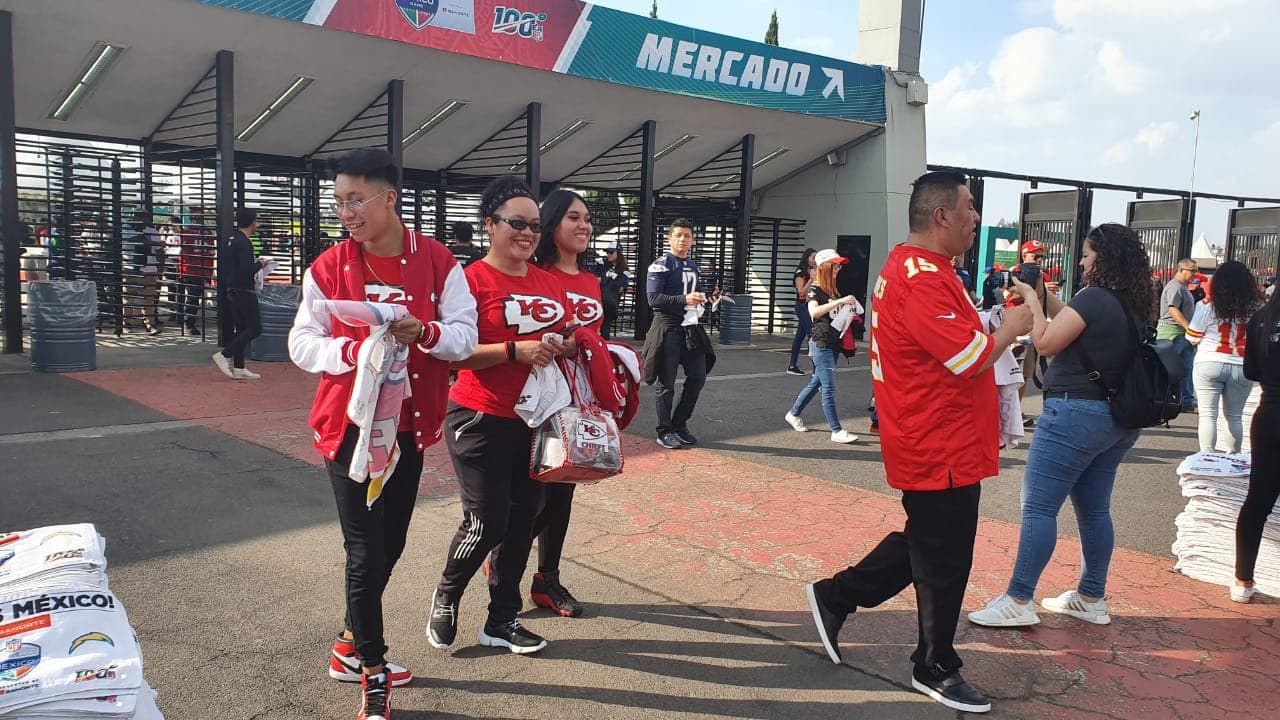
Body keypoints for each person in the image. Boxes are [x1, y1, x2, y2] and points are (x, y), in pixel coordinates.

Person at [804, 171, 1031, 714]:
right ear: (941, 216)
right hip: (938, 441)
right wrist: (1014, 325)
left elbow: (960, 345)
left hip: (939, 437)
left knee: (931, 545)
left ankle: (837, 597)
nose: (977, 217)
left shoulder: (918, 268)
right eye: (970, 207)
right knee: (943, 557)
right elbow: (969, 356)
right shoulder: (922, 276)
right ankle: (933, 664)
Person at [288, 148, 478, 720]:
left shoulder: (438, 261)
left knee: (389, 545)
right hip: (346, 428)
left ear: (389, 198)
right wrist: (353, 349)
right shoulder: (328, 266)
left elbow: (465, 337)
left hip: (409, 429)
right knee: (365, 550)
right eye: (339, 201)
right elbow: (301, 343)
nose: (346, 211)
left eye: (356, 199)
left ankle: (348, 644)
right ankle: (374, 670)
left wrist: (426, 332)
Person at [967, 223, 1154, 632]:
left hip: (1073, 415)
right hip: (1118, 420)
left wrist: (1033, 301)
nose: (1083, 263)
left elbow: (1048, 342)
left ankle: (1018, 598)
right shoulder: (1133, 300)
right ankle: (1091, 596)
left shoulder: (1094, 297)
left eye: (1087, 255)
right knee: (1094, 511)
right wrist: (1047, 298)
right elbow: (1074, 321)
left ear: (1103, 259)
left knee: (1038, 507)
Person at [427, 175, 575, 657]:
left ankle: (501, 619)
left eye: (535, 225)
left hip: (535, 420)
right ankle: (448, 593)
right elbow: (448, 357)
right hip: (478, 416)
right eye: (516, 223)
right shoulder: (467, 282)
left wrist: (565, 345)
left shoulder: (549, 282)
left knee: (522, 518)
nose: (528, 233)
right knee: (486, 521)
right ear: (489, 225)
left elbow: (564, 337)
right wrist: (514, 351)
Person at [526, 189, 605, 619]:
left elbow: (595, 342)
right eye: (574, 217)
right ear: (552, 224)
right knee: (534, 492)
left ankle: (547, 580)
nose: (584, 226)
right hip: (538, 397)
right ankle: (502, 554)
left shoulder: (591, 280)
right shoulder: (534, 276)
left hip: (581, 400)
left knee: (564, 490)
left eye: (588, 218)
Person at [642, 219, 719, 450]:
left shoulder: (693, 266)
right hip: (668, 327)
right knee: (666, 383)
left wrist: (707, 299)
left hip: (690, 326)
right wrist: (683, 300)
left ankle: (679, 423)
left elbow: (693, 295)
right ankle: (664, 429)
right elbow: (653, 299)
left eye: (687, 235)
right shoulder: (661, 265)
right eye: (678, 235)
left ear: (692, 240)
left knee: (698, 376)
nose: (683, 239)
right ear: (670, 238)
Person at [783, 249, 860, 443]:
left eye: (839, 265)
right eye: (835, 265)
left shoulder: (831, 289)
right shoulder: (814, 289)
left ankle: (793, 413)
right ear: (824, 267)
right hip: (821, 343)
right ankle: (836, 430)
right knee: (828, 387)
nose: (838, 268)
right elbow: (814, 312)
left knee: (816, 382)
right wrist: (841, 302)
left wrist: (848, 312)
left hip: (833, 342)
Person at [1234, 283, 1280, 603]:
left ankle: (1242, 581)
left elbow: (1251, 370)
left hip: (1268, 416)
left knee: (1257, 502)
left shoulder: (1261, 318)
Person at [1186, 261, 1259, 453]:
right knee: (1234, 416)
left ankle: (1207, 457)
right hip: (1242, 364)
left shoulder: (1206, 305)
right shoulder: (1256, 307)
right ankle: (1233, 457)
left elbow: (1192, 337)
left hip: (1210, 361)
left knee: (1208, 415)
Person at [212, 209, 270, 379]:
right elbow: (247, 269)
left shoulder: (232, 240)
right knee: (255, 328)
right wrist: (260, 264)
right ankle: (224, 355)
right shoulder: (244, 242)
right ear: (252, 222)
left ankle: (239, 367)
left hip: (232, 288)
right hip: (244, 290)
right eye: (256, 221)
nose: (256, 225)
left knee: (242, 328)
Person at [1157, 258, 1201, 412]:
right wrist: (1189, 328)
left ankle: (1186, 401)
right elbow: (1173, 309)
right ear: (1181, 270)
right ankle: (1162, 399)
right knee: (1168, 368)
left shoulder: (1183, 287)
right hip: (1173, 331)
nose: (1195, 273)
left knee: (1185, 368)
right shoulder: (1176, 287)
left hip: (1181, 333)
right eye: (1192, 270)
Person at [122, 213, 164, 335]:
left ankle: (149, 324)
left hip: (149, 268)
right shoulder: (126, 228)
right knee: (128, 297)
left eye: (144, 216)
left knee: (149, 298)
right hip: (130, 267)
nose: (142, 219)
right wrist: (157, 244)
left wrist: (161, 265)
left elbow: (159, 251)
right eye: (139, 216)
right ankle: (126, 323)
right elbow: (138, 240)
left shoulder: (152, 231)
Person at [177, 219, 216, 334]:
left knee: (192, 298)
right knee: (192, 298)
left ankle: (187, 321)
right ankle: (188, 322)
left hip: (194, 270)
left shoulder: (190, 234)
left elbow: (211, 254)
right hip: (193, 270)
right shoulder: (204, 235)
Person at [787, 248, 817, 375]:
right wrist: (811, 279)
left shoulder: (813, 271)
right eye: (813, 258)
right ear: (806, 258)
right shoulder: (801, 273)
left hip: (809, 305)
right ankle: (817, 369)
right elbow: (801, 292)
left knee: (800, 336)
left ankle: (792, 365)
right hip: (802, 306)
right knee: (812, 334)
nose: (815, 261)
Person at [595, 243, 630, 340]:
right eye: (607, 252)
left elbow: (621, 288)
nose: (608, 254)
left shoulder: (624, 270)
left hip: (609, 304)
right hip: (597, 301)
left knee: (605, 330)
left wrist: (605, 280)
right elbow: (594, 279)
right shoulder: (601, 264)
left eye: (611, 252)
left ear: (618, 253)